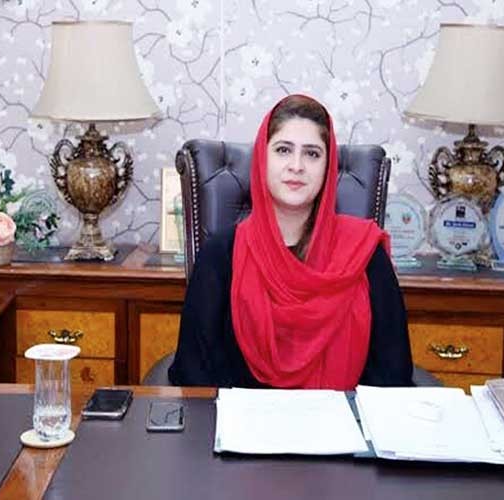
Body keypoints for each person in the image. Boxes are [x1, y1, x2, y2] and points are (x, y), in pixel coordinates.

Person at [169, 94, 413, 389]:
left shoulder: (365, 254)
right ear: (262, 159)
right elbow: (194, 376)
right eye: (283, 150)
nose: (296, 165)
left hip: (342, 417)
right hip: (243, 418)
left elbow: (393, 378)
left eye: (312, 154)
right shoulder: (219, 257)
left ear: (328, 166)